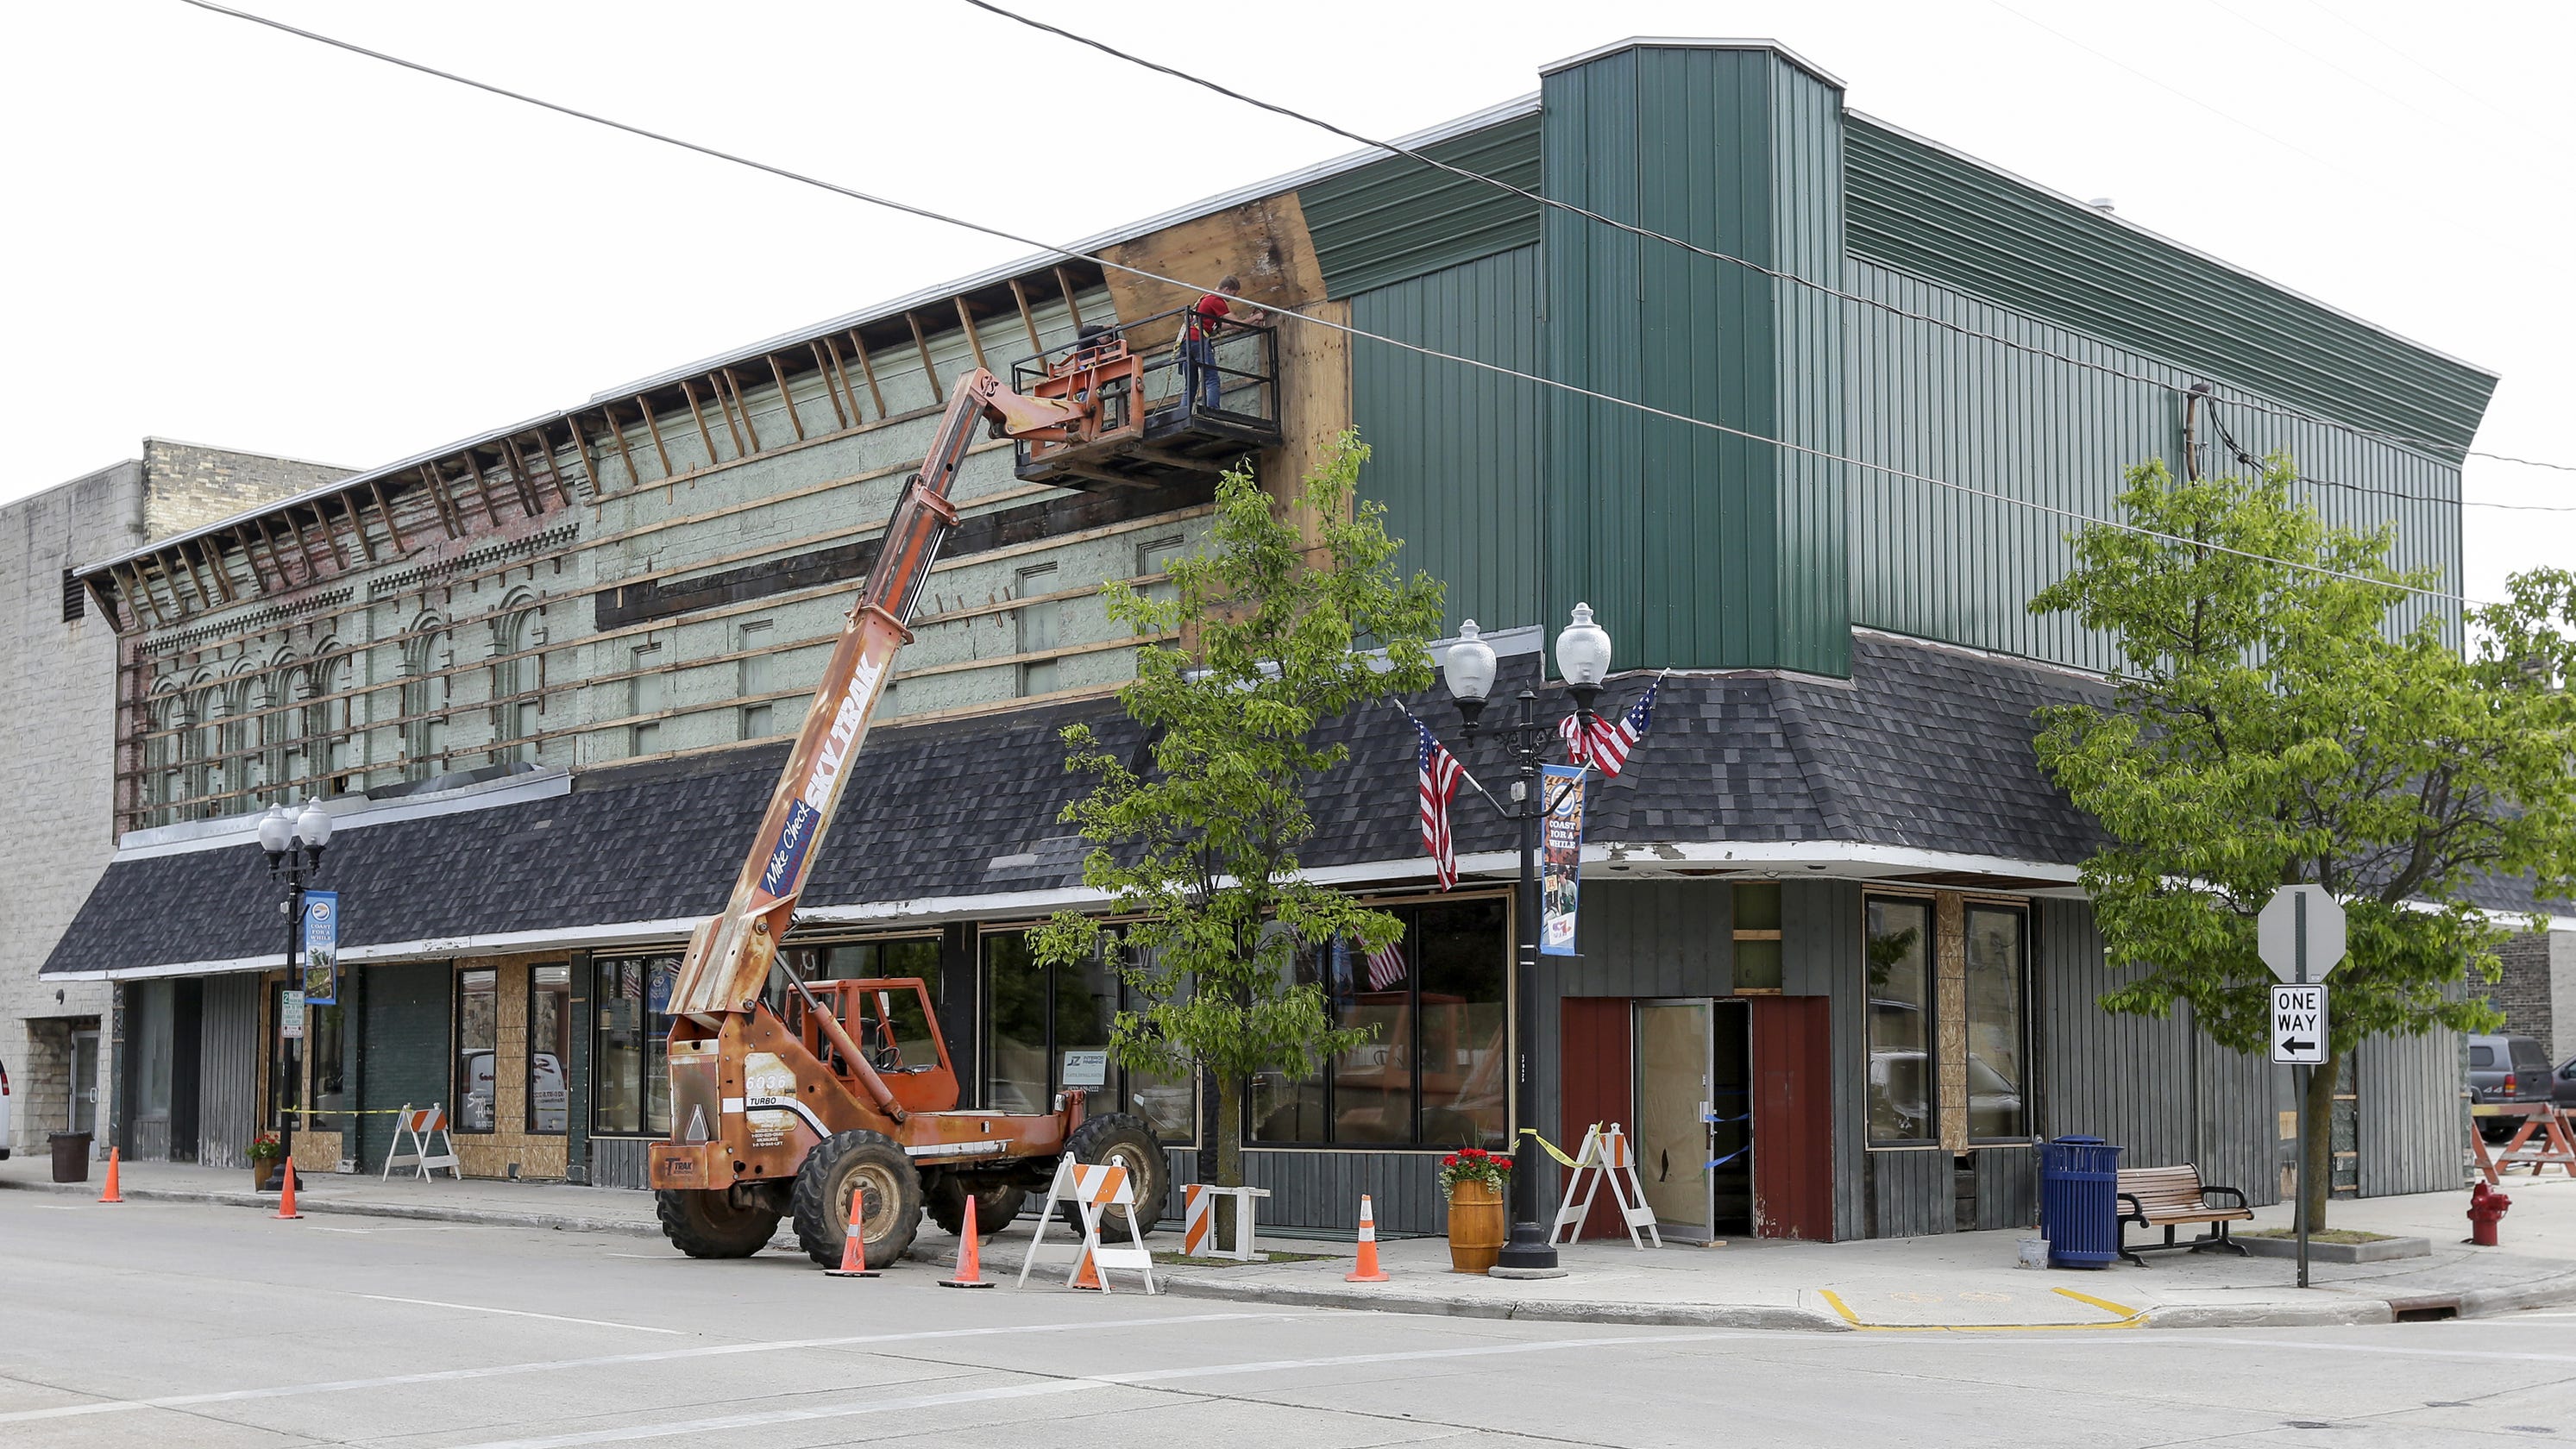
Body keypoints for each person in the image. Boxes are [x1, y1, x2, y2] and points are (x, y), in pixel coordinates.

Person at [1184, 275, 1266, 412]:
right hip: (1198, 341)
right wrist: (1256, 317)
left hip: (1187, 342)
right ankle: (1213, 411)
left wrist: (1247, 321)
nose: (1234, 297)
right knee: (1212, 379)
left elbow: (1221, 326)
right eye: (1234, 294)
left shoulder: (1205, 298)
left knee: (1191, 384)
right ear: (1227, 289)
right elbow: (1238, 324)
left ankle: (1183, 411)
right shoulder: (1216, 300)